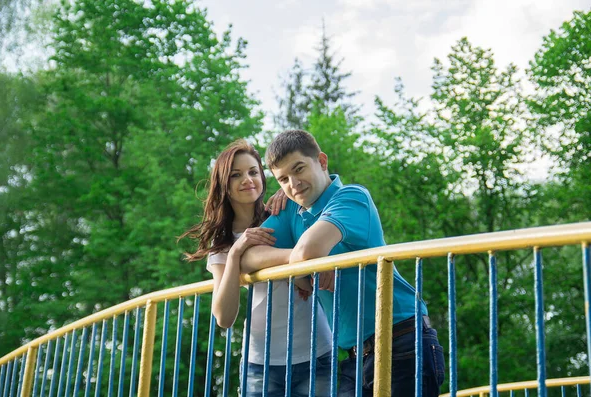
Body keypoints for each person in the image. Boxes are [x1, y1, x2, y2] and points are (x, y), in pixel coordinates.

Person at [240, 130, 445, 396]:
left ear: (322, 162)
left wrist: (310, 262)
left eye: (299, 169)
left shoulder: (351, 197)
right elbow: (248, 256)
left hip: (402, 341)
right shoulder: (293, 211)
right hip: (355, 357)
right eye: (283, 179)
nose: (293, 184)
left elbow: (308, 251)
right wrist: (304, 271)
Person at [180, 139, 332, 397]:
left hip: (315, 352)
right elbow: (224, 317)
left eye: (253, 172)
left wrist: (287, 193)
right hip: (261, 365)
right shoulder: (223, 244)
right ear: (224, 186)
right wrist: (237, 252)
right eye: (236, 175)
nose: (247, 180)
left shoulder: (286, 210)